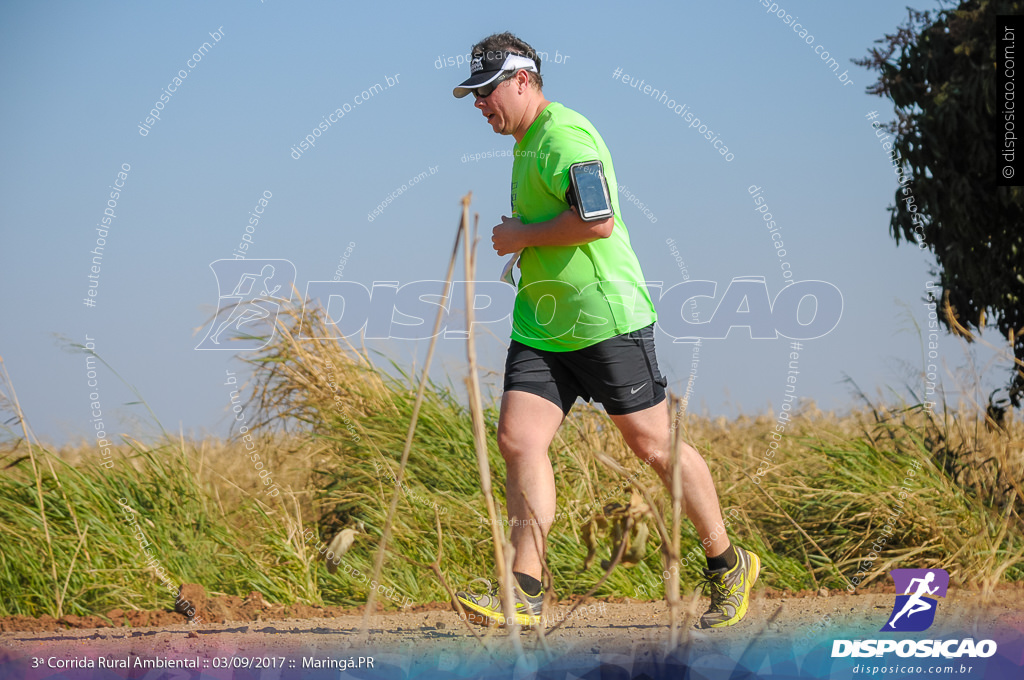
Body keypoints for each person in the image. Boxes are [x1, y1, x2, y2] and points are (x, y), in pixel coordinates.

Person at [451, 32, 759, 629]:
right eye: (473, 94)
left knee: (653, 445)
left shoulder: (563, 137)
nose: (479, 103)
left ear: (523, 81)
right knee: (518, 438)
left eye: (487, 91)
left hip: (605, 318)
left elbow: (598, 221)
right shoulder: (525, 142)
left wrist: (518, 236)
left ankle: (727, 563)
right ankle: (526, 589)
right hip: (543, 327)